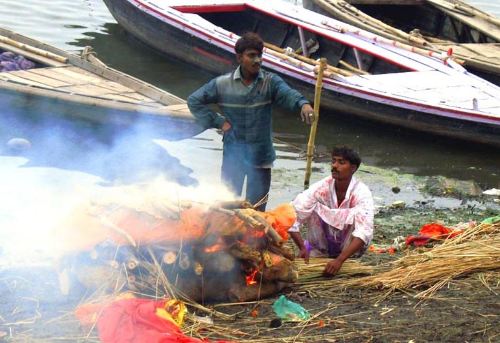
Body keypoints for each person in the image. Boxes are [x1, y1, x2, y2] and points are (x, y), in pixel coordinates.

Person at [187, 32, 314, 211]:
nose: (257, 60)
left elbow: (288, 94)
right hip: (233, 157)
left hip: (261, 157)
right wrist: (218, 121)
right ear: (239, 58)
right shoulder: (222, 84)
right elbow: (194, 101)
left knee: (257, 209)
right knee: (228, 207)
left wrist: (303, 104)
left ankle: (254, 239)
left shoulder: (270, 82)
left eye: (260, 55)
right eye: (251, 55)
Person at [289, 146, 374, 276]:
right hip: (321, 247)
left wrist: (339, 261)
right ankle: (319, 253)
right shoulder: (321, 188)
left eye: (341, 162)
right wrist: (301, 247)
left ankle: (343, 257)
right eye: (333, 161)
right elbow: (293, 215)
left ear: (353, 168)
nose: (334, 166)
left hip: (348, 251)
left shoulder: (361, 193)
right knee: (313, 206)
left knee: (359, 220)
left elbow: (364, 233)